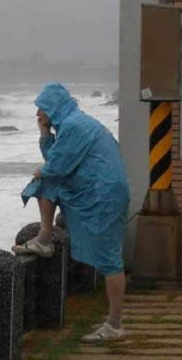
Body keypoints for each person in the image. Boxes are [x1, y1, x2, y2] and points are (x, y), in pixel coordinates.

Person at [13, 83, 130, 342]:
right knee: (46, 183)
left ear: (54, 107)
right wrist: (46, 135)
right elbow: (57, 160)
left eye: (41, 109)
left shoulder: (75, 126)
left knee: (111, 259)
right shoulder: (73, 124)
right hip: (99, 189)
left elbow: (54, 167)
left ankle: (115, 324)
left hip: (103, 194)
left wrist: (40, 169)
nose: (37, 115)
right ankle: (44, 239)